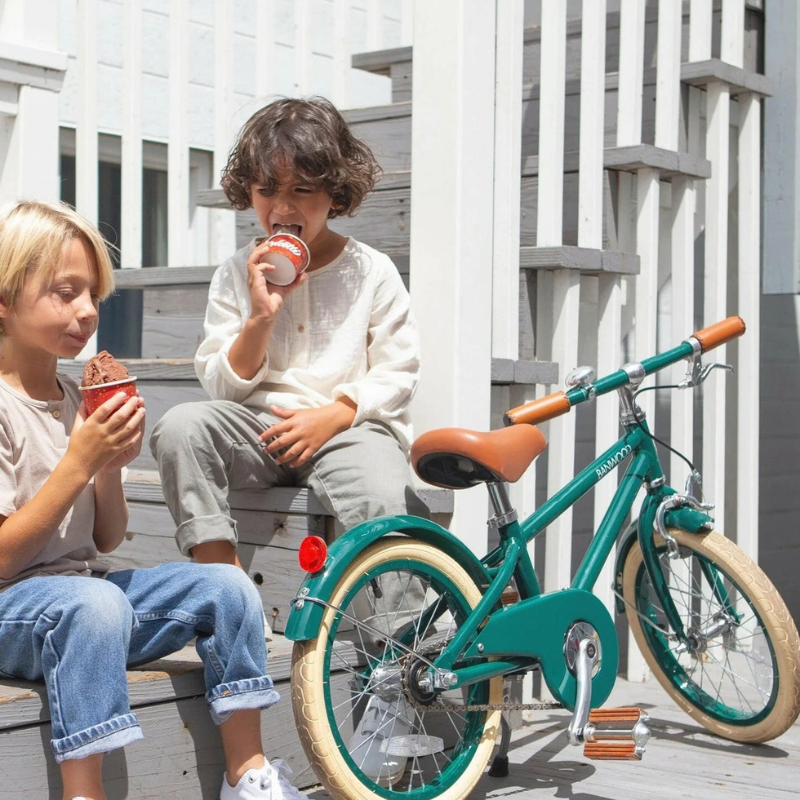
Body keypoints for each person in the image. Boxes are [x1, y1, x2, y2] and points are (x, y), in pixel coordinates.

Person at [149, 96, 428, 782]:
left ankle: (401, 659)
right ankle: (224, 592)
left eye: (303, 190)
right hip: (258, 425)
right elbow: (221, 382)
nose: (282, 205)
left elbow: (398, 370)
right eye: (266, 189)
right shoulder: (236, 272)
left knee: (382, 491)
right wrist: (260, 317)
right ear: (247, 193)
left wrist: (338, 412)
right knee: (180, 426)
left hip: (347, 427)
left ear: (336, 194)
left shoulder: (372, 270)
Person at [0, 200, 305, 800]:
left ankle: (248, 775)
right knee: (93, 603)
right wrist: (80, 460)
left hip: (85, 605)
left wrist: (108, 469)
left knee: (227, 586)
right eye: (66, 292)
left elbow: (105, 539)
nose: (87, 311)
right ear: (3, 301)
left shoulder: (74, 397)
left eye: (94, 295)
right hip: (13, 610)